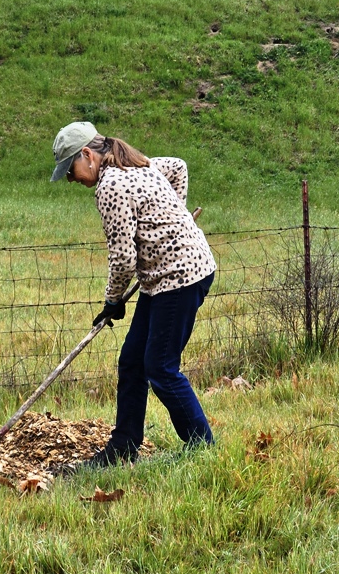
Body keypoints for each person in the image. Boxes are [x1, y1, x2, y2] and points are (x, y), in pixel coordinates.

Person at [50, 121, 216, 466]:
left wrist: (112, 301)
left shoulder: (110, 186)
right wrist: (178, 217)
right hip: (166, 277)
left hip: (180, 278)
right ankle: (124, 445)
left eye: (70, 169)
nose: (71, 178)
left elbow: (123, 257)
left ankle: (203, 447)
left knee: (160, 367)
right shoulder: (139, 164)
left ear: (87, 155)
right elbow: (178, 166)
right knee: (132, 362)